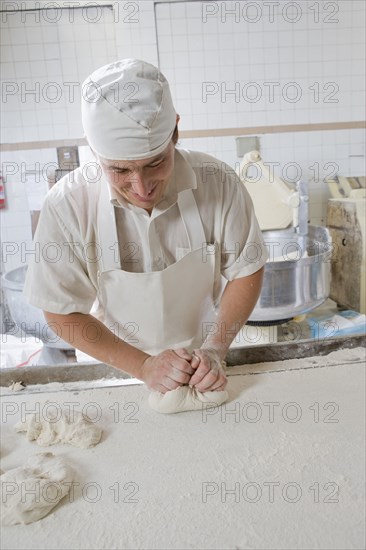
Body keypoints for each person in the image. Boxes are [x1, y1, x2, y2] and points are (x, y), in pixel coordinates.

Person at [24, 59, 268, 394]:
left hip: (202, 367)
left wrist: (214, 349)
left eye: (155, 163)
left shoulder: (218, 182)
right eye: (120, 170)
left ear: (176, 132)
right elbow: (61, 312)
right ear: (94, 150)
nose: (141, 187)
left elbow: (247, 269)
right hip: (113, 373)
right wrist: (143, 366)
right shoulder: (68, 205)